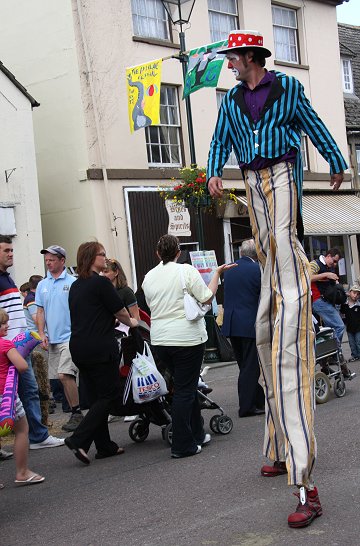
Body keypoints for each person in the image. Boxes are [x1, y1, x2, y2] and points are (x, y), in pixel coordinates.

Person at [207, 30, 348, 528]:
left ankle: (307, 486)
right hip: (249, 180)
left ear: (249, 58)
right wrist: (211, 171)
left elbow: (312, 123)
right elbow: (219, 139)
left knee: (285, 293)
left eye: (232, 57)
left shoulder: (286, 89)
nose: (228, 63)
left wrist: (338, 159)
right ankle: (277, 445)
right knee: (268, 318)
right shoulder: (231, 101)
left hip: (282, 174)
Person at [142, 234, 235, 459]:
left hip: (160, 340)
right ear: (178, 252)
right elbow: (205, 297)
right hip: (186, 339)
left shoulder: (148, 277)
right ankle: (183, 445)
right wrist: (217, 274)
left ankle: (196, 432)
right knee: (185, 390)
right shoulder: (186, 271)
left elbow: (151, 304)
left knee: (186, 386)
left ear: (157, 253)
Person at [64, 241, 138, 465]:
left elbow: (91, 313)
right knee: (110, 395)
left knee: (97, 397)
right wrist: (133, 322)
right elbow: (120, 311)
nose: (105, 258)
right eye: (101, 255)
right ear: (90, 257)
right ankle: (79, 439)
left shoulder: (76, 286)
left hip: (79, 346)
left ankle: (105, 446)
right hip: (99, 347)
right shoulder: (102, 283)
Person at [0, 234, 64, 450]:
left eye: (12, 250)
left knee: (26, 393)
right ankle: (37, 436)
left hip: (19, 346)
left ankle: (37, 435)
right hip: (9, 350)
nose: (11, 254)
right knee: (26, 392)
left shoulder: (7, 277)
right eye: (6, 251)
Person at [36, 245, 83, 432]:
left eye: (52, 259)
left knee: (65, 375)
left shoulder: (72, 282)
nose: (48, 263)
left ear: (62, 261)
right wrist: (41, 334)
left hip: (70, 337)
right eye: (46, 260)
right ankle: (75, 412)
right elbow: (40, 311)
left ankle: (77, 412)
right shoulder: (42, 285)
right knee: (59, 378)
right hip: (52, 339)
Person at [0, 308, 45, 486]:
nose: (7, 325)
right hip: (6, 396)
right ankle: (22, 472)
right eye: (2, 323)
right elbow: (22, 366)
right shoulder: (5, 344)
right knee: (22, 430)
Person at [222, 239, 264, 417]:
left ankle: (258, 399)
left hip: (232, 323)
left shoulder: (229, 269)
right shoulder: (257, 270)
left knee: (244, 365)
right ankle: (246, 407)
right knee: (250, 366)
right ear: (256, 254)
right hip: (249, 323)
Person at [310, 248, 354, 379]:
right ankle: (334, 353)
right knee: (339, 326)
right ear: (328, 256)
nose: (334, 265)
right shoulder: (315, 264)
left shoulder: (330, 267)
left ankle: (329, 357)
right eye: (334, 261)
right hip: (318, 301)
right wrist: (326, 275)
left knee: (330, 330)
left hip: (326, 302)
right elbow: (307, 277)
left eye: (336, 263)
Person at [23, 275, 51, 425]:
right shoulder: (32, 299)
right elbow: (36, 318)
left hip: (36, 338)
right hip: (36, 339)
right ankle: (47, 403)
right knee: (41, 374)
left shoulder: (31, 297)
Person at [341, 285, 360, 363]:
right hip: (349, 328)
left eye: (358, 294)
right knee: (352, 343)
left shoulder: (358, 305)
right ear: (349, 293)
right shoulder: (345, 305)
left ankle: (359, 355)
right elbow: (342, 311)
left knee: (358, 342)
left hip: (358, 328)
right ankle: (354, 355)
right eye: (354, 293)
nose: (356, 295)